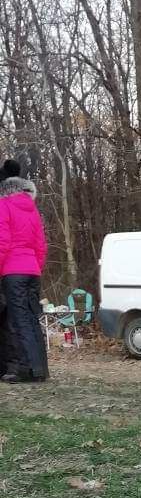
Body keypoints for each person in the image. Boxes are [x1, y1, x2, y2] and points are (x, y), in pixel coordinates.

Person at [0, 157, 48, 383]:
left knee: (17, 321)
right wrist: (35, 267)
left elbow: (3, 241)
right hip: (32, 271)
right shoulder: (32, 210)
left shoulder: (4, 205)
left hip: (13, 271)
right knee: (32, 318)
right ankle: (40, 369)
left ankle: (22, 369)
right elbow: (41, 245)